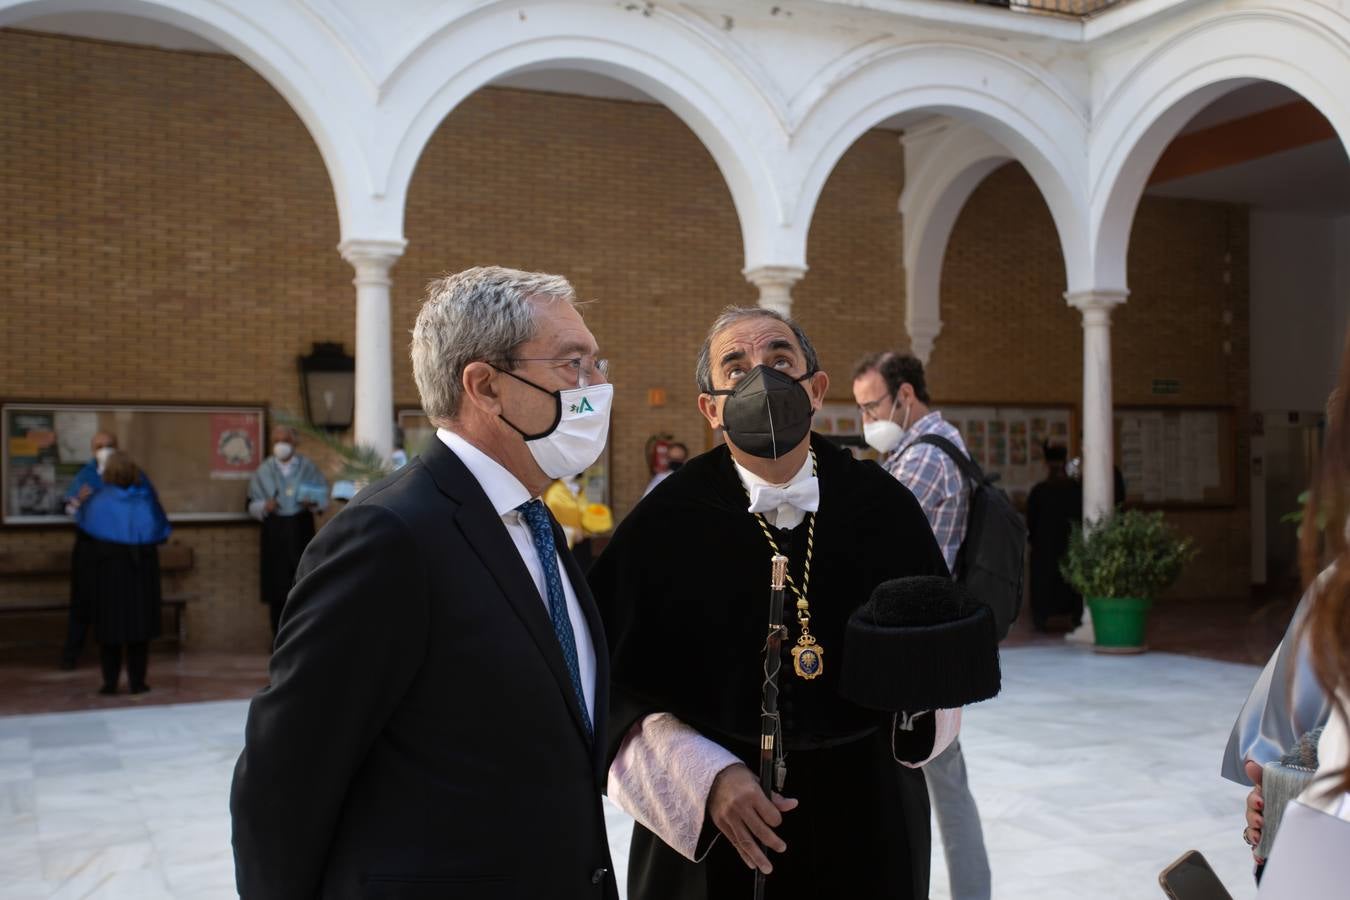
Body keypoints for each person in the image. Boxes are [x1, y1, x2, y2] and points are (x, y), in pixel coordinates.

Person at [230, 266, 618, 899]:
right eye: (573, 365)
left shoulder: (535, 520)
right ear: (486, 386)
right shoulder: (389, 536)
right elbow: (285, 780)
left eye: (598, 364)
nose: (597, 386)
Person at [592, 308, 957, 900]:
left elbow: (942, 660)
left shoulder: (883, 505)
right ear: (710, 407)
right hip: (715, 831)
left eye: (780, 360)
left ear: (815, 390)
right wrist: (704, 778)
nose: (759, 379)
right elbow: (604, 683)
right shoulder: (663, 522)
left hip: (865, 816)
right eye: (734, 368)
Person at [851, 350, 992, 900]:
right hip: (928, 648)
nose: (867, 422)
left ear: (905, 396)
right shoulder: (929, 447)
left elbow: (869, 542)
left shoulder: (925, 459)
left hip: (914, 655)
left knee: (915, 794)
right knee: (948, 786)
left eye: (872, 407)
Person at [74, 451, 170, 694]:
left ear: (108, 473)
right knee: (139, 629)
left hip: (108, 574)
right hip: (140, 574)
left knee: (110, 629)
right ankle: (138, 682)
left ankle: (110, 683)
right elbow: (160, 533)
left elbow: (86, 536)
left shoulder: (98, 501)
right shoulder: (145, 500)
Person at [59, 431, 139, 670]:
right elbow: (69, 509)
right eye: (99, 446)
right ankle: (72, 654)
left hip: (119, 551)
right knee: (83, 603)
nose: (104, 450)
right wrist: (79, 500)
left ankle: (122, 662)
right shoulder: (86, 475)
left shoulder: (129, 474)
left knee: (118, 605)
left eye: (109, 445)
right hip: (90, 549)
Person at [246, 425, 328, 637]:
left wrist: (314, 503)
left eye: (285, 440)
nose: (281, 445)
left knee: (302, 583)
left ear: (294, 443)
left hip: (301, 528)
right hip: (275, 532)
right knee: (277, 588)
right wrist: (265, 506)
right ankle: (278, 638)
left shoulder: (308, 468)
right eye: (276, 441)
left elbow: (322, 499)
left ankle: (302, 636)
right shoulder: (263, 471)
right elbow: (250, 503)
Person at [1026, 443, 1085, 632]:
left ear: (1046, 464)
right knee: (1071, 582)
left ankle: (1042, 617)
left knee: (1044, 582)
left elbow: (1031, 524)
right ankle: (1075, 615)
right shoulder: (1076, 490)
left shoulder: (1039, 492)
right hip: (1070, 549)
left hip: (1045, 551)